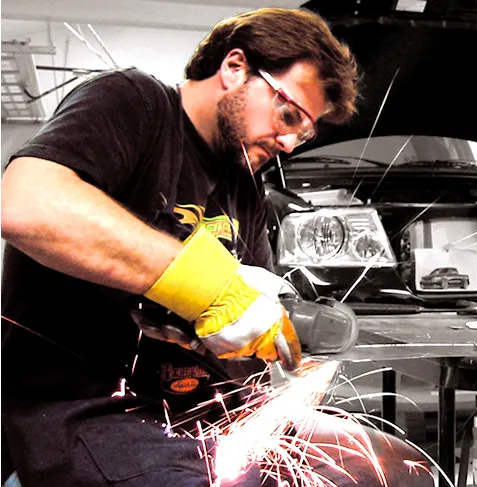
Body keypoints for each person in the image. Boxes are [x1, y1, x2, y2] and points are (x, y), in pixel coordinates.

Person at [1, 7, 433, 487]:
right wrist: (208, 287)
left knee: (400, 470)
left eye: (305, 131)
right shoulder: (135, 103)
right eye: (288, 115)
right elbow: (27, 203)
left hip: (204, 414)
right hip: (91, 412)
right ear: (235, 67)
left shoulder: (244, 186)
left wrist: (287, 341)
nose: (291, 143)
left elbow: (249, 315)